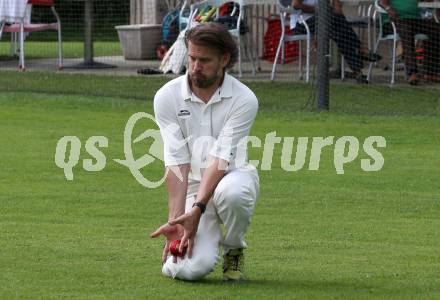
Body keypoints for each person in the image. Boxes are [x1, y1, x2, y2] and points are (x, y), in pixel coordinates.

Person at [150, 22, 259, 281]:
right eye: (192, 58)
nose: (195, 66)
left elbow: (220, 159)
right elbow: (176, 163)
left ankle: (234, 250)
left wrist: (197, 210)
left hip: (233, 175)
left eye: (204, 60)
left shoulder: (244, 99)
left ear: (224, 59)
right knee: (189, 270)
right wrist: (177, 221)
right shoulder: (166, 96)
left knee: (233, 194)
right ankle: (192, 252)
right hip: (191, 187)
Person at [290, 0, 380, 83]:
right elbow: (296, 5)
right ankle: (361, 51)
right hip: (302, 24)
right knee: (332, 19)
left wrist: (340, 20)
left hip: (325, 22)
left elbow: (338, 11)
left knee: (341, 34)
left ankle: (358, 73)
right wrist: (320, 10)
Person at [379, 0, 440, 85]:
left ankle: (430, 72)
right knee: (407, 33)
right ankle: (412, 73)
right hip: (396, 19)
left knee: (436, 30)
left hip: (416, 19)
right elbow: (381, 2)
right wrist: (389, 9)